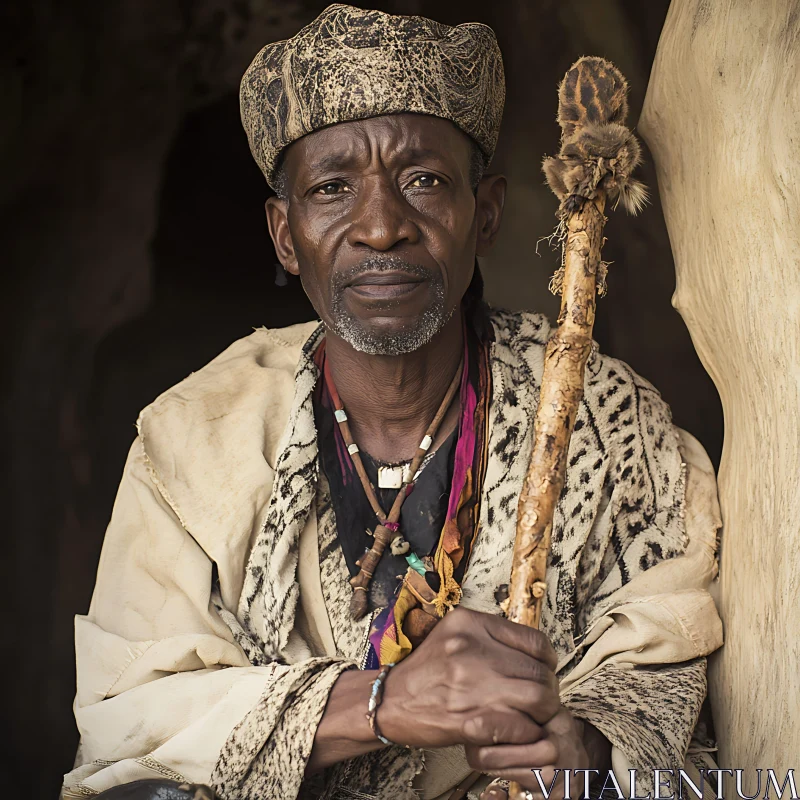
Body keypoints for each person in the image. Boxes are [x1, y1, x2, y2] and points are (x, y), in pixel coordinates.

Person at [62, 5, 723, 800]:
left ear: (486, 214)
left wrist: (588, 754)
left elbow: (675, 681)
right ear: (283, 234)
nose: (380, 226)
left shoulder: (607, 423)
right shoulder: (195, 441)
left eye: (424, 180)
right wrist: (383, 703)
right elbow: (129, 726)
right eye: (333, 187)